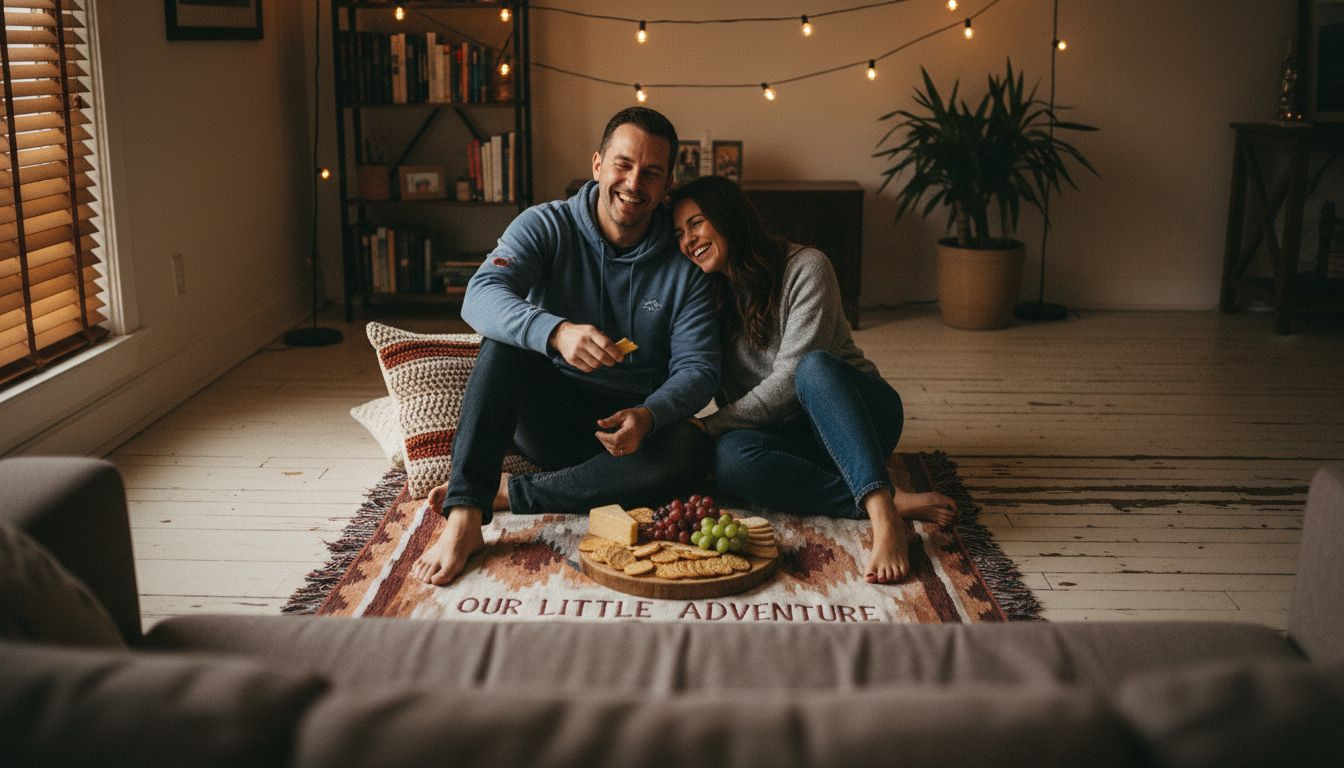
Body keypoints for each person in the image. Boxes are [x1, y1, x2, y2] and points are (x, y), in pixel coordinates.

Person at [412, 108, 721, 587]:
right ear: (597, 164)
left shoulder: (683, 258)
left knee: (695, 450)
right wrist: (555, 332)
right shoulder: (545, 225)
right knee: (503, 343)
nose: (633, 183)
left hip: (633, 438)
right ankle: (466, 513)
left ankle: (515, 493)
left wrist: (650, 414)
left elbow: (699, 368)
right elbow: (480, 294)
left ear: (667, 185)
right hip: (548, 418)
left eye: (651, 172)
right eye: (622, 164)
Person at [669, 175, 956, 584]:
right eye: (679, 234)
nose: (688, 241)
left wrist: (710, 424)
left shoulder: (806, 266)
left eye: (696, 223)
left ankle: (882, 514)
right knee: (730, 459)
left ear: (728, 215)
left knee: (812, 367)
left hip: (859, 418)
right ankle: (881, 498)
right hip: (789, 436)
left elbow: (792, 379)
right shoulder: (703, 295)